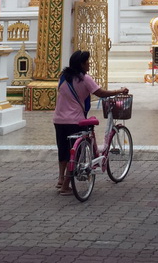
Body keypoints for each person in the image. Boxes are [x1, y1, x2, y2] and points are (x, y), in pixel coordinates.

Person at [53, 50, 128, 195]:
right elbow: (100, 93)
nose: (89, 64)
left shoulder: (63, 77)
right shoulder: (85, 79)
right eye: (87, 62)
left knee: (63, 150)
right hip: (75, 120)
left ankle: (61, 179)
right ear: (81, 64)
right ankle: (65, 187)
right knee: (73, 154)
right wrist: (119, 91)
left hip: (59, 119)